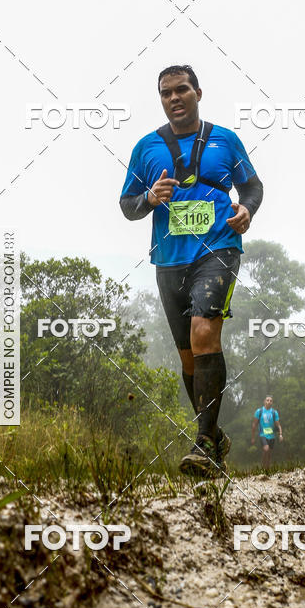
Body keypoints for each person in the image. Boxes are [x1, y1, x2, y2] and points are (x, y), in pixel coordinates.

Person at [120, 64, 263, 477]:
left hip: (217, 249)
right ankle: (214, 435)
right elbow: (127, 206)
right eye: (165, 93)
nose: (174, 98)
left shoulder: (226, 140)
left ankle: (201, 446)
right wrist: (148, 197)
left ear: (198, 92)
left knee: (204, 332)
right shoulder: (146, 148)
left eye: (181, 90)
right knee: (187, 357)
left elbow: (252, 187)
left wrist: (245, 210)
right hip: (169, 259)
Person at [252, 395, 283, 469]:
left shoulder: (274, 412)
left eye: (271, 401)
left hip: (272, 436)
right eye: (267, 400)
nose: (269, 402)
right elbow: (254, 425)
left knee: (269, 453)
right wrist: (253, 437)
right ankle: (263, 468)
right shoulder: (259, 411)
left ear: (272, 403)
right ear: (264, 401)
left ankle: (267, 469)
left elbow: (278, 425)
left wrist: (280, 434)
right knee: (266, 448)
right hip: (263, 435)